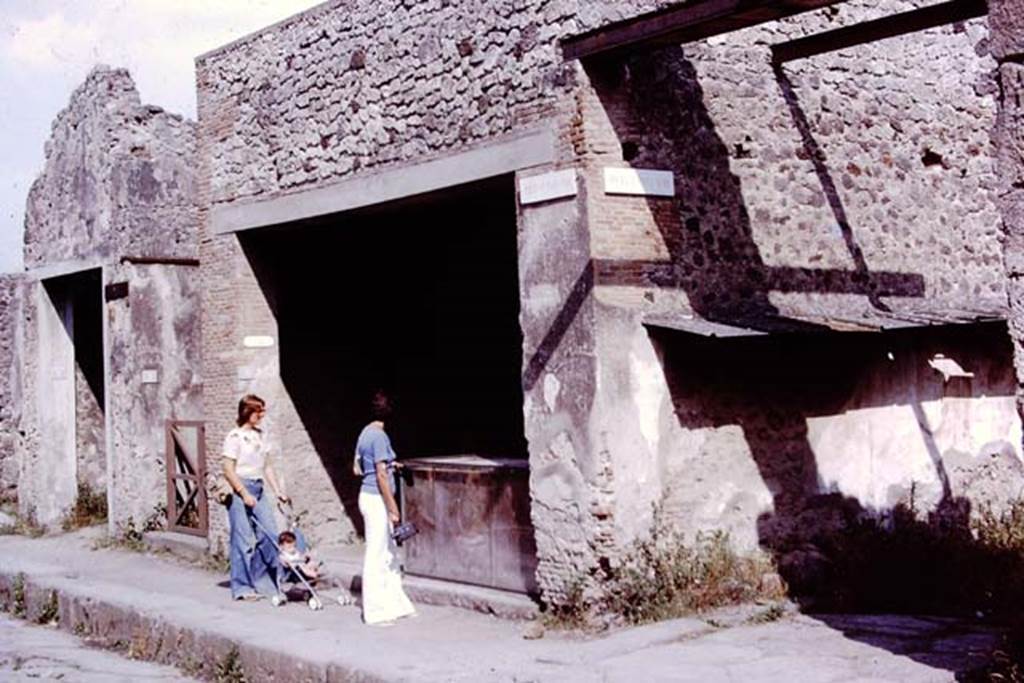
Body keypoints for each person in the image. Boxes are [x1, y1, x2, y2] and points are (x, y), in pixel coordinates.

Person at [355, 390, 416, 625]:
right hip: (376, 499)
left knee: (389, 553)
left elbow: (357, 468)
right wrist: (393, 507)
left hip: (369, 496)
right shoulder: (379, 436)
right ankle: (374, 611)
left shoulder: (365, 434)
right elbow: (380, 476)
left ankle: (395, 603)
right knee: (377, 553)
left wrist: (391, 464)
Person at [222, 394, 290, 601]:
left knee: (269, 534)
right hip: (239, 488)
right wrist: (243, 493)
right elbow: (228, 469)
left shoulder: (260, 436)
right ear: (248, 412)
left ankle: (261, 580)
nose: (261, 415)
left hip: (258, 488)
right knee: (242, 540)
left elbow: (267, 466)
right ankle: (242, 587)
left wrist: (277, 490)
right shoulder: (234, 437)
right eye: (258, 411)